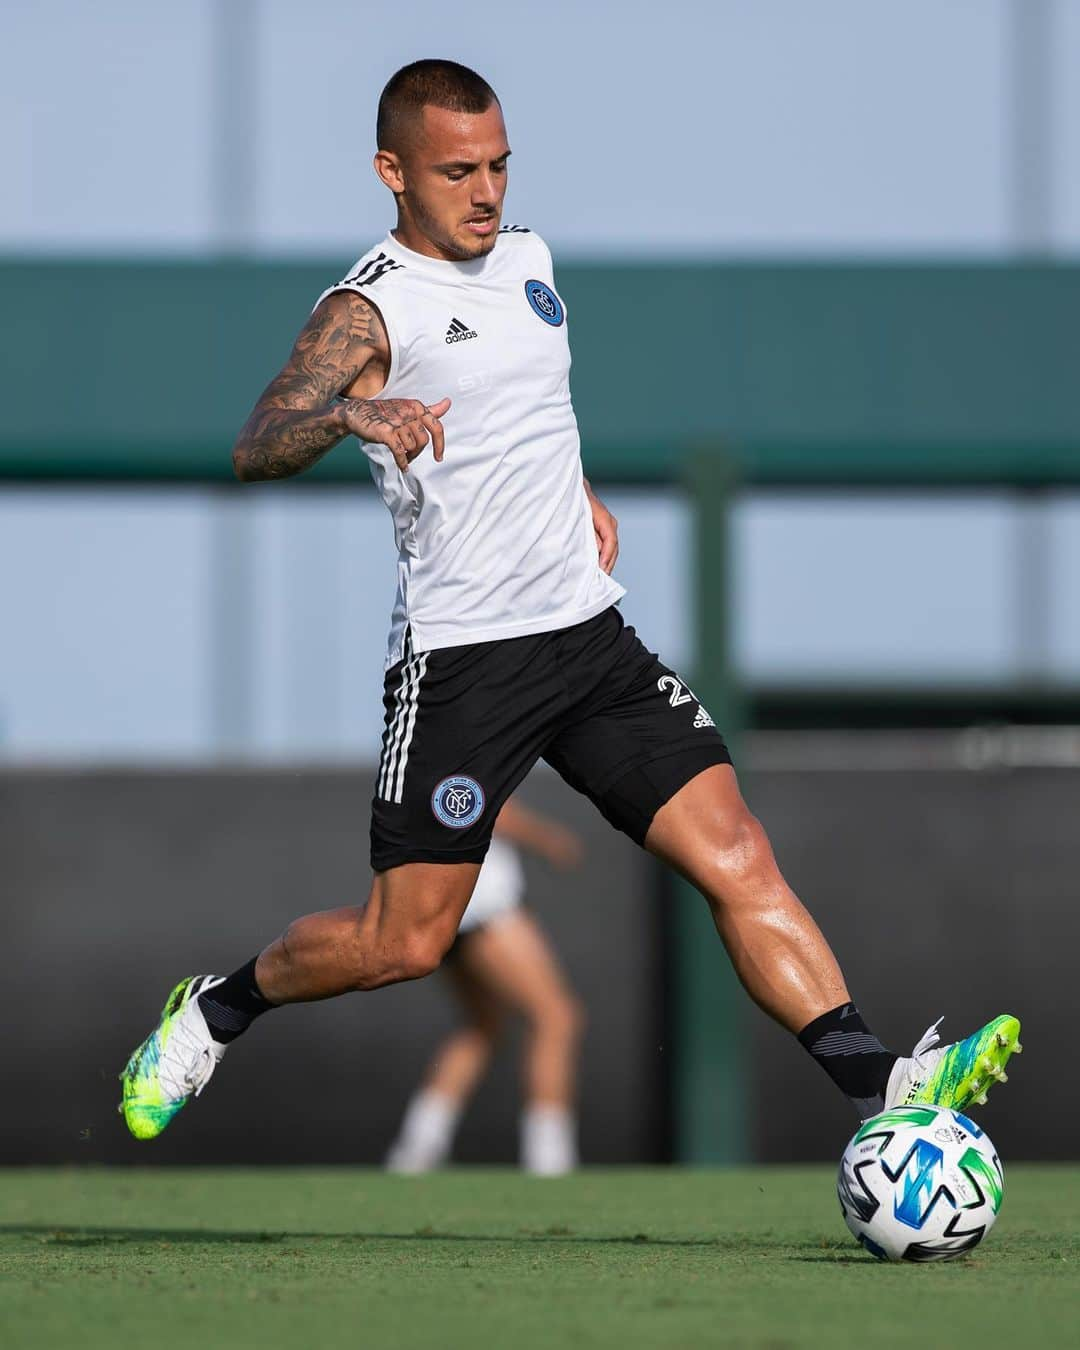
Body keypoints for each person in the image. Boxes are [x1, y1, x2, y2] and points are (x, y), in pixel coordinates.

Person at [120, 59, 1020, 1144]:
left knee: (736, 852)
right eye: (459, 171)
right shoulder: (371, 308)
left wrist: (575, 491)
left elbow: (524, 404)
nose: (487, 190)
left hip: (590, 639)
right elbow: (257, 442)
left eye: (500, 163)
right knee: (403, 944)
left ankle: (885, 1086)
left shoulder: (533, 260)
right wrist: (351, 420)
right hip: (464, 661)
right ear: (391, 172)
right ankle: (216, 1010)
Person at [385, 796, 585, 1175]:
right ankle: (549, 1159)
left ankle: (418, 1145)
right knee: (557, 1017)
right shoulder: (463, 742)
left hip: (441, 907)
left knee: (481, 1028)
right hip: (482, 904)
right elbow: (484, 803)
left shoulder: (417, 753)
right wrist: (548, 839)